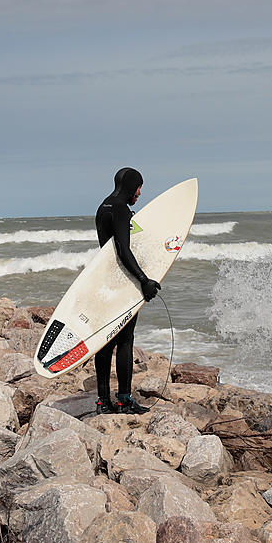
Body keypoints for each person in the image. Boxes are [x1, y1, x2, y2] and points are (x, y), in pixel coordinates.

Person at [93, 167, 162, 415]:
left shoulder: (103, 207)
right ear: (132, 186)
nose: (140, 193)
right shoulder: (121, 209)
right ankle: (123, 399)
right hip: (121, 281)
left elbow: (109, 249)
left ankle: (102, 401)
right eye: (139, 187)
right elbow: (123, 249)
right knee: (125, 339)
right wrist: (143, 280)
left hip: (104, 281)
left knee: (105, 340)